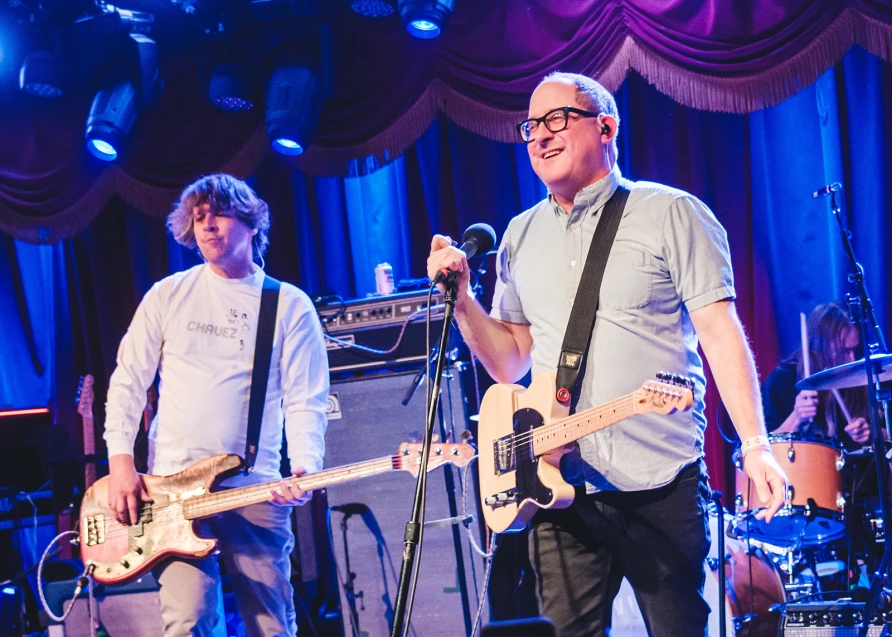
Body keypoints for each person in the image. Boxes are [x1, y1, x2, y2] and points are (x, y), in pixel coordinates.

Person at [427, 72, 787, 636]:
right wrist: (465, 301)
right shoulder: (519, 235)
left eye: (556, 120)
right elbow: (509, 362)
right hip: (557, 486)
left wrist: (757, 445)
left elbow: (720, 333)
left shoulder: (672, 213)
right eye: (530, 127)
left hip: (659, 483)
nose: (540, 137)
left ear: (606, 126)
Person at [103, 174, 329, 637]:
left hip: (253, 486)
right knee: (188, 622)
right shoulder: (167, 295)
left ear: (251, 223)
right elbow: (127, 382)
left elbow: (306, 397)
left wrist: (307, 466)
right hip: (169, 490)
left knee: (270, 622)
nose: (206, 226)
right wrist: (121, 462)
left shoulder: (288, 305)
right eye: (198, 217)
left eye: (218, 214)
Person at [762, 301, 871, 448]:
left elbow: (887, 431)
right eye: (843, 351)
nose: (852, 358)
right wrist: (796, 417)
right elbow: (763, 446)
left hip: (855, 469)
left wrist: (870, 433)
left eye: (854, 350)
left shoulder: (859, 377)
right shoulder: (783, 379)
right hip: (801, 469)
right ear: (820, 346)